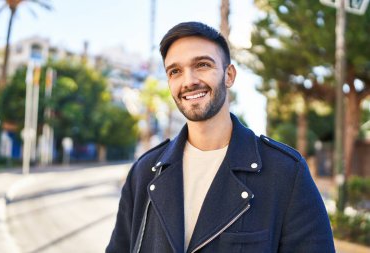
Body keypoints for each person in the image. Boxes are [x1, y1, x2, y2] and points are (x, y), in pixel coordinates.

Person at [106, 21, 335, 253]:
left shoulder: (285, 172)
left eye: (202, 65)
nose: (189, 81)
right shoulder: (144, 172)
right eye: (175, 71)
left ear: (229, 75)